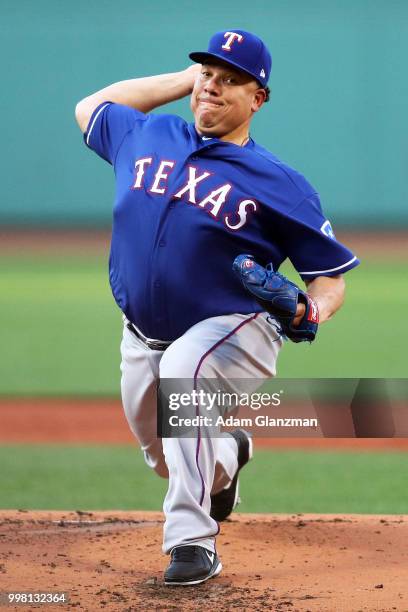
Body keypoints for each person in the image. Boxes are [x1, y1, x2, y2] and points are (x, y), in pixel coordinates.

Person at [75, 29, 359, 586]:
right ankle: (227, 454)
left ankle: (191, 541)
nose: (213, 87)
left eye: (231, 80)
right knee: (164, 453)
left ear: (258, 99)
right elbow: (90, 108)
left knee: (184, 379)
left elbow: (329, 277)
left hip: (233, 325)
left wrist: (314, 311)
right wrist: (188, 79)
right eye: (208, 74)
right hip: (141, 331)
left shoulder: (280, 183)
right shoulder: (148, 133)